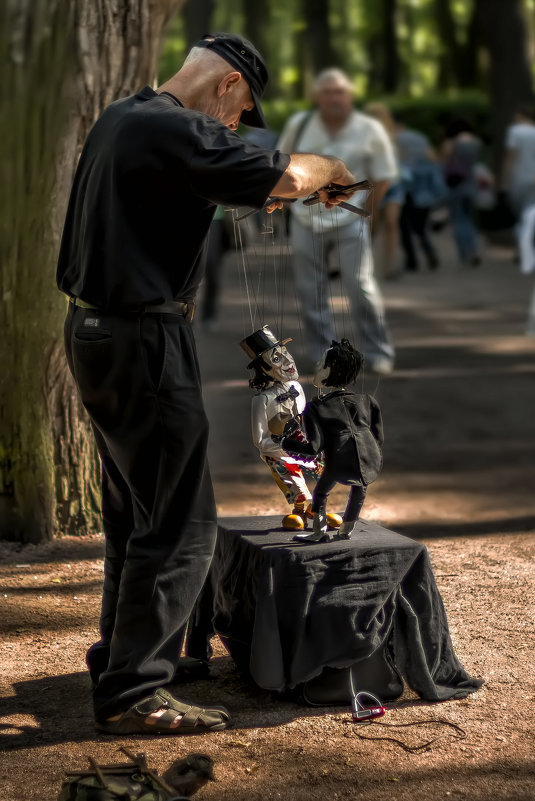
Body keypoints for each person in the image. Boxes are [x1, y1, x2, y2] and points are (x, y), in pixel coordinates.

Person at [56, 31, 356, 735]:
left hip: (96, 332)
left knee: (139, 513)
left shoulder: (125, 117)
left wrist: (242, 183)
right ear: (226, 86)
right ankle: (136, 691)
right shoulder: (179, 127)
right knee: (182, 521)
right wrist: (329, 167)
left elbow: (188, 188)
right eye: (240, 110)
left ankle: (125, 658)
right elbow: (287, 177)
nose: (233, 126)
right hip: (141, 337)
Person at [277, 68, 398, 375]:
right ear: (316, 97)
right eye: (327, 92)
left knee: (360, 286)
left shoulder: (369, 128)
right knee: (311, 290)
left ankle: (377, 351)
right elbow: (281, 162)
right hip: (305, 217)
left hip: (350, 218)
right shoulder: (300, 124)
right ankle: (325, 357)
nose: (334, 98)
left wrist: (369, 215)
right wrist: (287, 202)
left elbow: (382, 177)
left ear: (350, 96)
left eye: (340, 92)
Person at [277, 339, 383, 544]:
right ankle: (346, 530)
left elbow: (313, 448)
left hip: (339, 463)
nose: (316, 367)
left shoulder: (316, 407)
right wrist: (371, 452)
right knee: (359, 490)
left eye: (321, 364)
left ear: (330, 370)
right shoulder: (368, 400)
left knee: (321, 493)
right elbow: (378, 436)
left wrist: (284, 442)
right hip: (370, 460)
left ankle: (319, 531)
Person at [240, 325, 342, 531]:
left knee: (330, 468)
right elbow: (260, 440)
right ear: (264, 370)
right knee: (297, 484)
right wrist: (284, 445)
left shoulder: (296, 388)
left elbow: (305, 419)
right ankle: (300, 511)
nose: (288, 362)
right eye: (276, 359)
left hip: (302, 443)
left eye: (286, 353)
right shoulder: (262, 400)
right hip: (279, 450)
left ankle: (316, 509)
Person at [395, 116, 443, 272]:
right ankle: (428, 250)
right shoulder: (420, 138)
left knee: (404, 226)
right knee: (421, 227)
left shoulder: (393, 139)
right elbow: (434, 159)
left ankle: (411, 260)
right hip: (422, 188)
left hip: (404, 187)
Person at [364, 102, 405, 280]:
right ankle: (365, 264)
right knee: (371, 226)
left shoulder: (394, 135)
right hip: (373, 184)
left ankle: (389, 266)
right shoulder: (363, 136)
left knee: (391, 223)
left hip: (393, 185)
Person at [441, 117, 482, 266]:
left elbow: (444, 163)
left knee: (459, 220)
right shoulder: (476, 143)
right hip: (471, 184)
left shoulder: (450, 143)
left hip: (454, 185)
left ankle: (465, 253)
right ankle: (474, 250)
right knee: (470, 220)